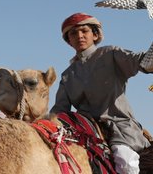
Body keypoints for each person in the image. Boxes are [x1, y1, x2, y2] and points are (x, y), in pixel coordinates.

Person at [50, 13, 151, 174]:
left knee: (125, 162)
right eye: (73, 33)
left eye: (84, 31)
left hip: (118, 126)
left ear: (95, 34)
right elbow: (59, 111)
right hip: (84, 131)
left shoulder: (110, 54)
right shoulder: (67, 75)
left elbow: (144, 63)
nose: (79, 36)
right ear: (69, 41)